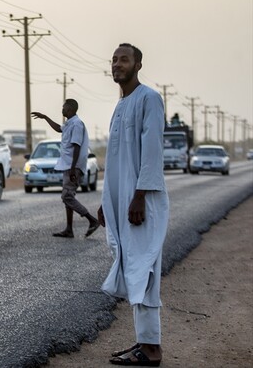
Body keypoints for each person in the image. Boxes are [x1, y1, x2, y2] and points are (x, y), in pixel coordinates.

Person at [99, 43, 169, 366]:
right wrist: (107, 203)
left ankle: (151, 348)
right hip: (124, 202)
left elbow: (152, 151)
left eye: (123, 59)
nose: (117, 64)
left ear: (138, 64)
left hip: (142, 202)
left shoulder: (150, 99)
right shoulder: (121, 105)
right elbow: (115, 162)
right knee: (134, 268)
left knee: (146, 269)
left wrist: (139, 196)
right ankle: (144, 342)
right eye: (114, 60)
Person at [32, 99, 101, 238]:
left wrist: (73, 168)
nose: (62, 110)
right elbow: (59, 128)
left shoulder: (76, 125)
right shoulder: (69, 123)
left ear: (70, 109)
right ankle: (69, 229)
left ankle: (92, 220)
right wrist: (45, 117)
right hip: (68, 165)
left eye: (64, 108)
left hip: (72, 166)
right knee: (69, 197)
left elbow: (76, 146)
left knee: (67, 196)